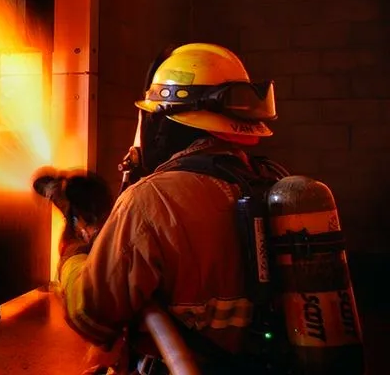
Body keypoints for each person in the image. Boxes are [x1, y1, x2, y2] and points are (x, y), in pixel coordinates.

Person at [55, 43, 281, 374]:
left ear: (167, 123)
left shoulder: (152, 200)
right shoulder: (274, 184)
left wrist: (74, 252)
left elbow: (92, 317)